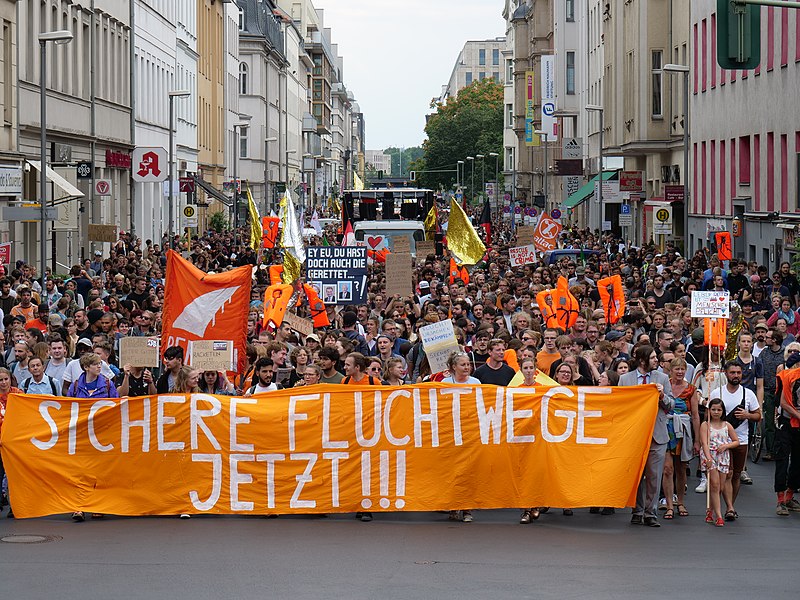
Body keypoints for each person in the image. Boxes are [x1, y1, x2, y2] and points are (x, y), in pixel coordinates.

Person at [619, 345, 674, 527]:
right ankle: (637, 510)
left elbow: (671, 405)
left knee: (654, 475)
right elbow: (620, 407)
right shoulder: (625, 379)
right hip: (634, 435)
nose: (656, 361)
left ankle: (651, 513)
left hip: (656, 435)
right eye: (652, 358)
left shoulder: (663, 378)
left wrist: (662, 395)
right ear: (642, 360)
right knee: (637, 475)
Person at [709, 361, 761, 520]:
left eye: (739, 373)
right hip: (720, 441)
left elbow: (758, 416)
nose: (736, 375)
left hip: (741, 439)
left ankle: (730, 504)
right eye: (733, 372)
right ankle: (729, 508)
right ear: (726, 373)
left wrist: (747, 415)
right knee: (728, 473)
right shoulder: (717, 393)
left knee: (736, 474)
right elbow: (708, 417)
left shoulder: (749, 394)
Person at [662, 358, 700, 520]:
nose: (679, 372)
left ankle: (681, 501)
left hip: (683, 430)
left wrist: (698, 440)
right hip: (666, 429)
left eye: (682, 369)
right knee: (667, 469)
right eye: (676, 368)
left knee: (681, 468)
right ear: (670, 370)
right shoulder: (664, 386)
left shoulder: (691, 389)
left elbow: (696, 416)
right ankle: (669, 504)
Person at [700, 398, 740, 527]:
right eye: (713, 409)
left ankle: (710, 511)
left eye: (719, 410)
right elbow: (704, 443)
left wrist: (726, 446)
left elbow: (736, 441)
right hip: (710, 455)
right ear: (709, 410)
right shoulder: (705, 425)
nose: (716, 412)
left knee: (721, 487)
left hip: (723, 456)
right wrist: (708, 458)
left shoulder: (727, 425)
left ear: (722, 411)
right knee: (715, 485)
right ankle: (719, 515)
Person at [0, 367, 21, 516]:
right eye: (0, 380)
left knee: (14, 474)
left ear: (10, 378)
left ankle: (15, 506)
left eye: (5, 379)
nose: (3, 383)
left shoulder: (18, 394)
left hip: (14, 440)